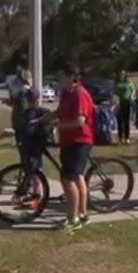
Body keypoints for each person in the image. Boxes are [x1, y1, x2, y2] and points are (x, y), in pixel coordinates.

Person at [41, 62, 95, 230]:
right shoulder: (67, 93)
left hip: (79, 141)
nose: (59, 79)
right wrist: (43, 118)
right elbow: (59, 112)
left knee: (67, 178)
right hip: (68, 141)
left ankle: (73, 219)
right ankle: (82, 214)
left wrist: (56, 125)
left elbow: (80, 122)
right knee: (77, 176)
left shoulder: (80, 94)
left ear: (71, 77)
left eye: (62, 76)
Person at [19, 87, 49, 208]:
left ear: (37, 99)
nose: (31, 102)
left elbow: (47, 127)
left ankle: (38, 195)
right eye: (29, 99)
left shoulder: (42, 112)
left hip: (37, 144)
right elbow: (24, 127)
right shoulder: (27, 112)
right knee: (30, 168)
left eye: (33, 99)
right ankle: (34, 193)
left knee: (36, 169)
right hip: (27, 144)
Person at [11, 69, 33, 165]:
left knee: (23, 155)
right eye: (31, 77)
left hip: (17, 125)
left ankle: (26, 174)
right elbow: (26, 110)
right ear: (28, 79)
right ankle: (29, 176)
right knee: (28, 156)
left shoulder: (19, 92)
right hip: (25, 126)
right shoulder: (27, 92)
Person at [114, 70, 134, 144]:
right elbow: (114, 92)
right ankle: (120, 138)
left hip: (127, 102)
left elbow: (132, 90)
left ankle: (127, 138)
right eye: (120, 74)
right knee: (119, 120)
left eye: (123, 74)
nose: (122, 75)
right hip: (119, 103)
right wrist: (115, 101)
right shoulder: (116, 82)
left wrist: (131, 97)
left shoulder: (128, 81)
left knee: (126, 120)